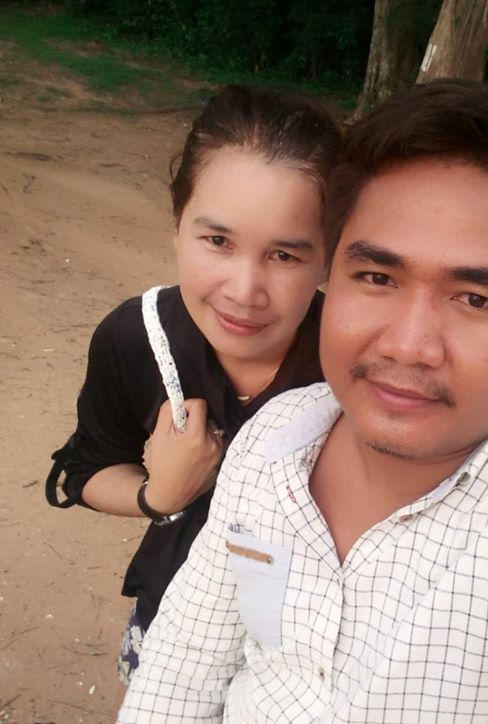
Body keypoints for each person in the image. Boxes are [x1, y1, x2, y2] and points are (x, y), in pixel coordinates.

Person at [119, 80, 488, 722]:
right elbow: (181, 667)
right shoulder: (273, 438)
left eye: (475, 299)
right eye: (378, 277)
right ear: (332, 277)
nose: (409, 346)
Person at [45, 84, 341, 683]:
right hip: (174, 622)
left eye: (285, 256)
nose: (244, 291)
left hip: (314, 650)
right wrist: (160, 495)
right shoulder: (135, 338)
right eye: (218, 241)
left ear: (327, 259)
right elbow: (90, 467)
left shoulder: (351, 363)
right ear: (177, 225)